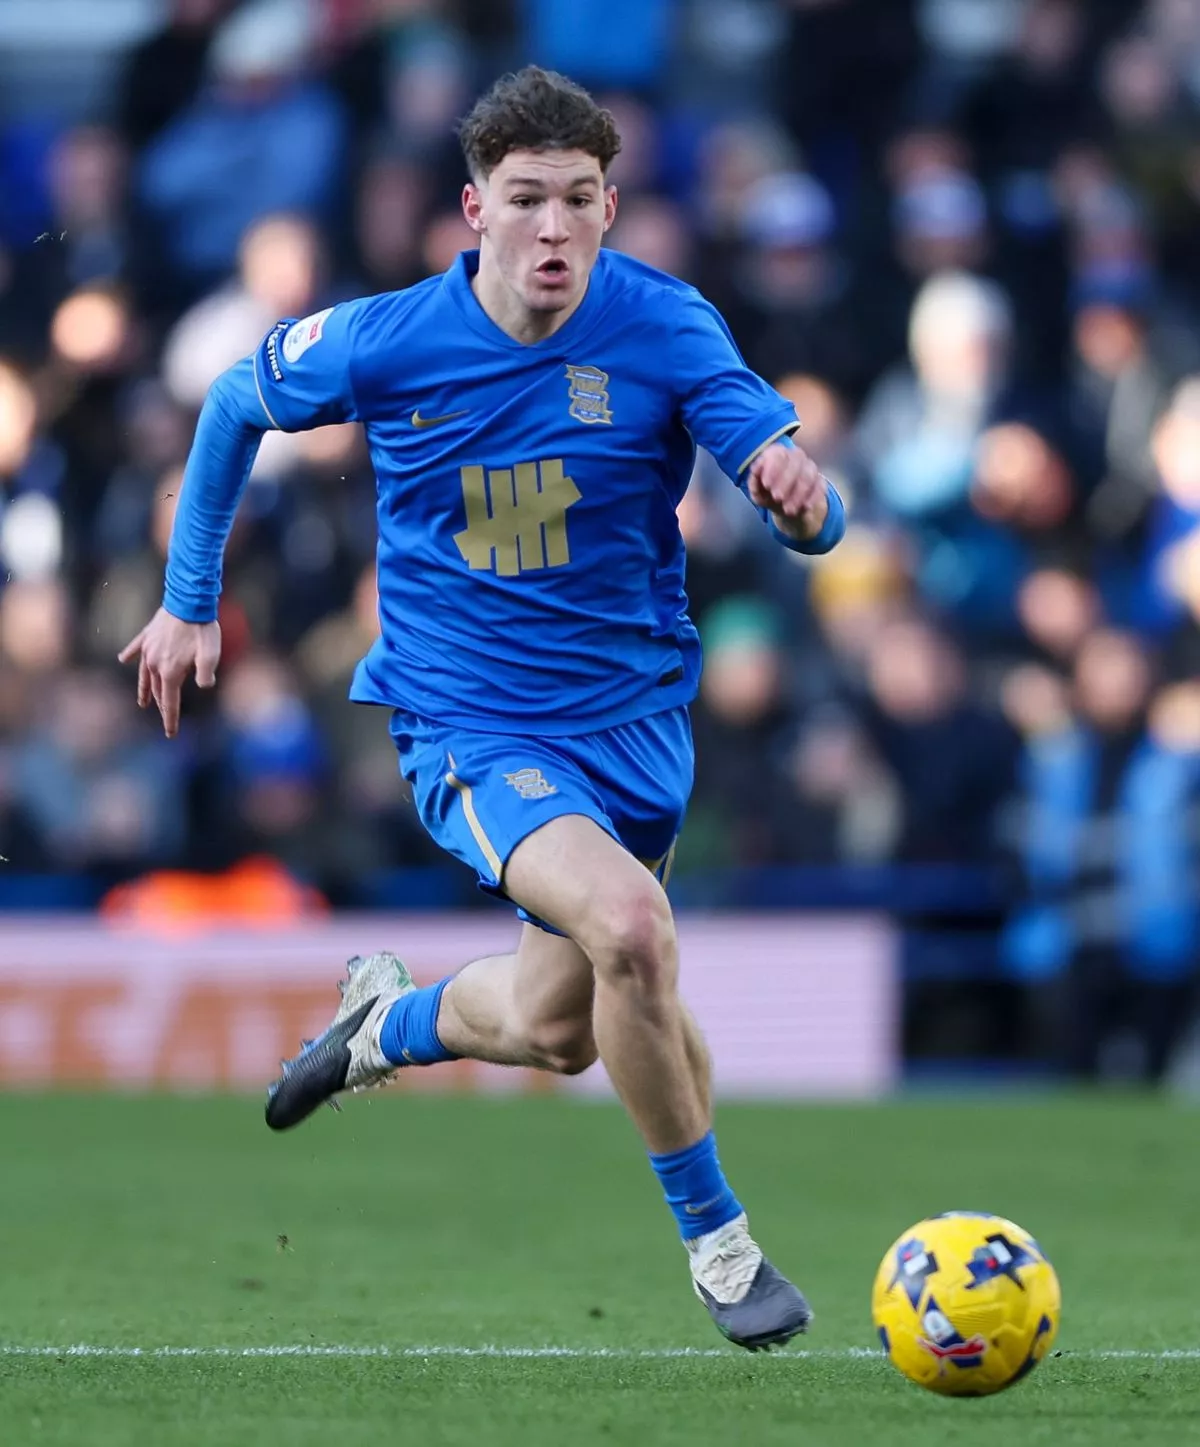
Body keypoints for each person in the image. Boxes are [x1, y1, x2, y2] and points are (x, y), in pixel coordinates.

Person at [119, 66, 845, 1351]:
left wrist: (806, 505)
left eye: (578, 199)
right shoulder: (392, 340)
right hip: (468, 721)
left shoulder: (669, 327)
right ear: (475, 209)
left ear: (612, 207)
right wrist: (189, 601)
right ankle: (723, 1249)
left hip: (635, 726)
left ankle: (384, 1023)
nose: (553, 227)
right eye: (526, 200)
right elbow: (235, 402)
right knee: (634, 929)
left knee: (564, 1028)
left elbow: (793, 489)